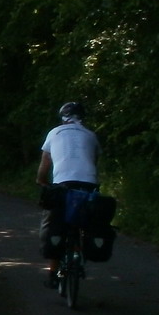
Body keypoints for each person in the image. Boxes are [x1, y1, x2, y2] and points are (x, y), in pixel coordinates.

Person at [37, 100, 100, 285]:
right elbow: (93, 162)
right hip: (88, 184)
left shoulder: (54, 133)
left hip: (63, 185)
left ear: (62, 118)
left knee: (55, 221)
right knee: (86, 220)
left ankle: (53, 272)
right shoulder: (91, 135)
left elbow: (45, 163)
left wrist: (41, 180)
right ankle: (80, 253)